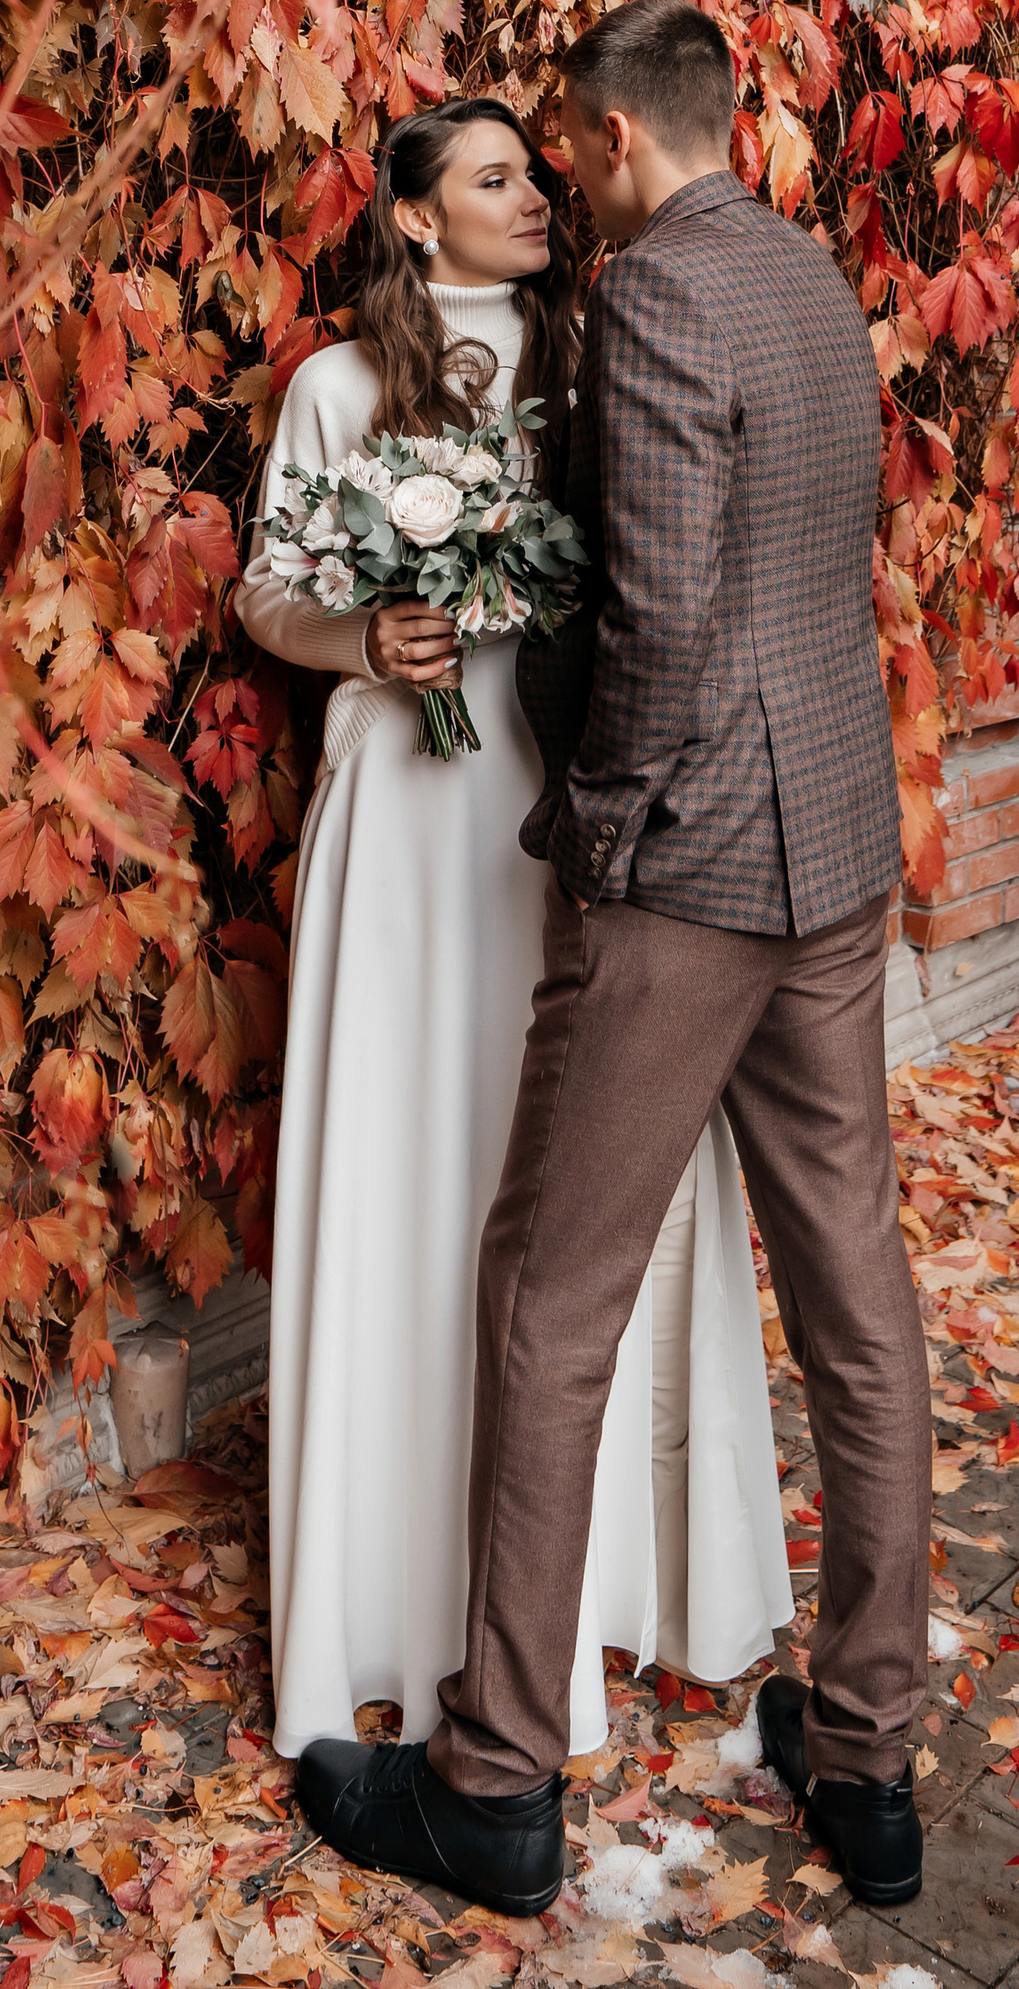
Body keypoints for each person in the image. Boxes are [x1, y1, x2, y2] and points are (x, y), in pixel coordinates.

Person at [291, 2, 932, 1920]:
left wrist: (600, 838)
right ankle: (872, 1759)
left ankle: (491, 1783)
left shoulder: (650, 294)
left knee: (547, 1295)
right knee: (856, 1299)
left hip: (687, 885)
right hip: (838, 859)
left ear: (608, 134)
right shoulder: (814, 279)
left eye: (561, 150)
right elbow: (827, 559)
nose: (558, 183)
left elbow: (652, 612)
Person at [239, 94, 791, 1768]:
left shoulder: (588, 366)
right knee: (410, 1176)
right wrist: (362, 636)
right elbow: (267, 588)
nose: (537, 195)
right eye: (493, 178)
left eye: (538, 170)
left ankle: (571, 1591)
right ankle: (390, 1596)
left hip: (550, 816)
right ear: (416, 217)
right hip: (405, 824)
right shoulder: (334, 391)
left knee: (545, 1189)